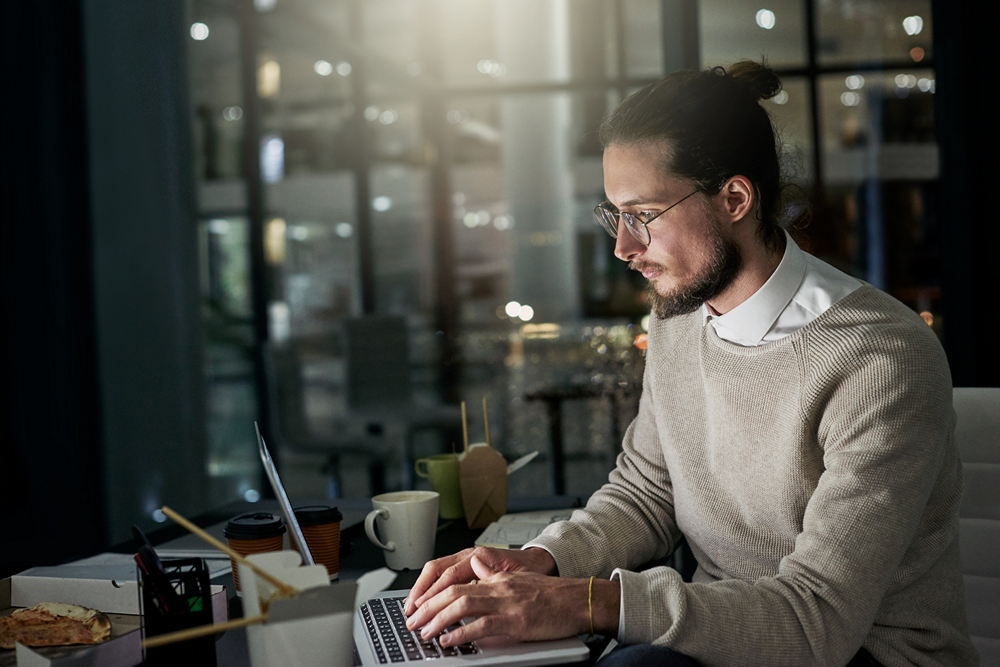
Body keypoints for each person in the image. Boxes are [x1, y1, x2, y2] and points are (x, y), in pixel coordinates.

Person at [403, 61, 976, 666]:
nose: (624, 247)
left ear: (734, 198)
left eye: (642, 216)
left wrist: (584, 601)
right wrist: (540, 561)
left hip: (866, 653)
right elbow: (647, 492)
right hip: (720, 634)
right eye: (614, 215)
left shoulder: (880, 359)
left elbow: (818, 620)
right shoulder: (678, 320)